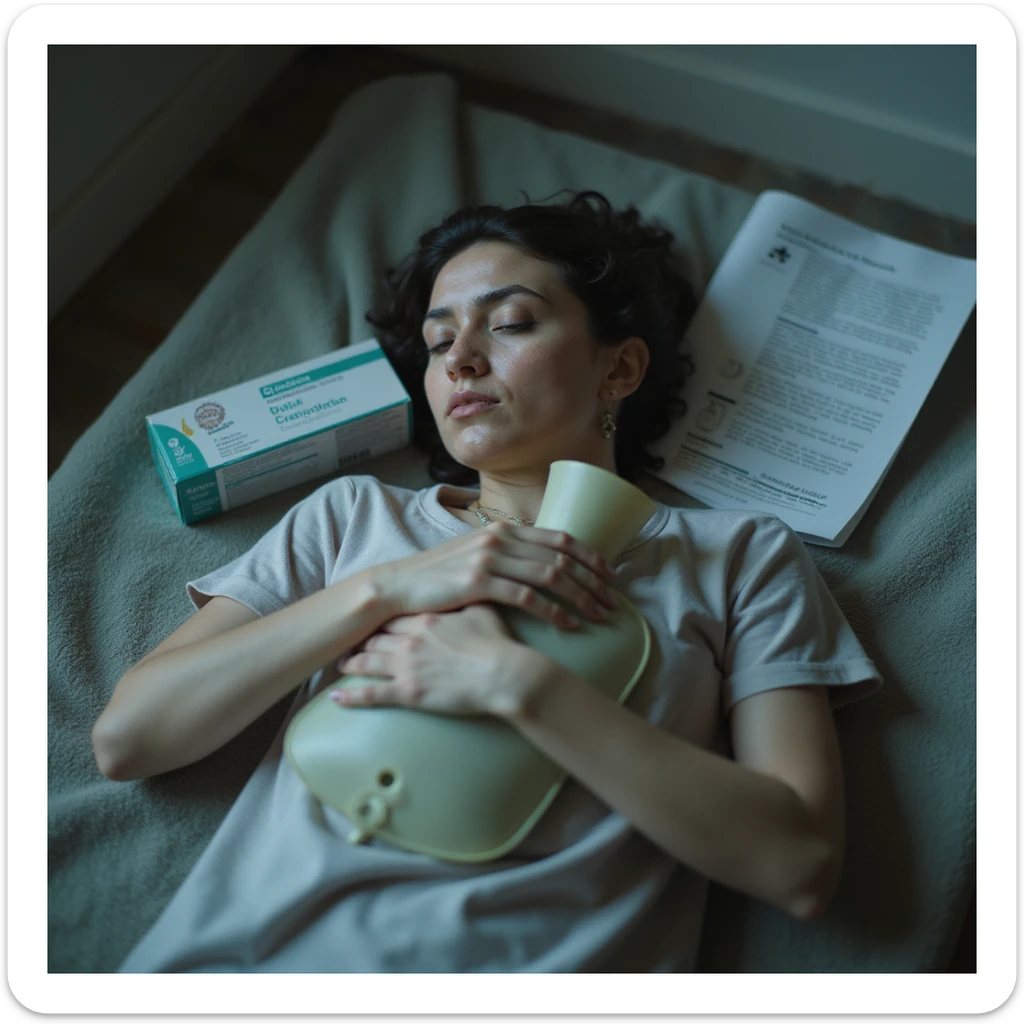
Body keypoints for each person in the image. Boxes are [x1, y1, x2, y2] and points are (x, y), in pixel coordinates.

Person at [97, 189, 882, 973]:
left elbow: (798, 865)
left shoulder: (737, 556)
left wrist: (521, 685)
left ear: (619, 367)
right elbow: (129, 739)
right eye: (439, 342)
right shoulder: (353, 519)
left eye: (510, 323)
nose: (461, 359)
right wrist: (386, 589)